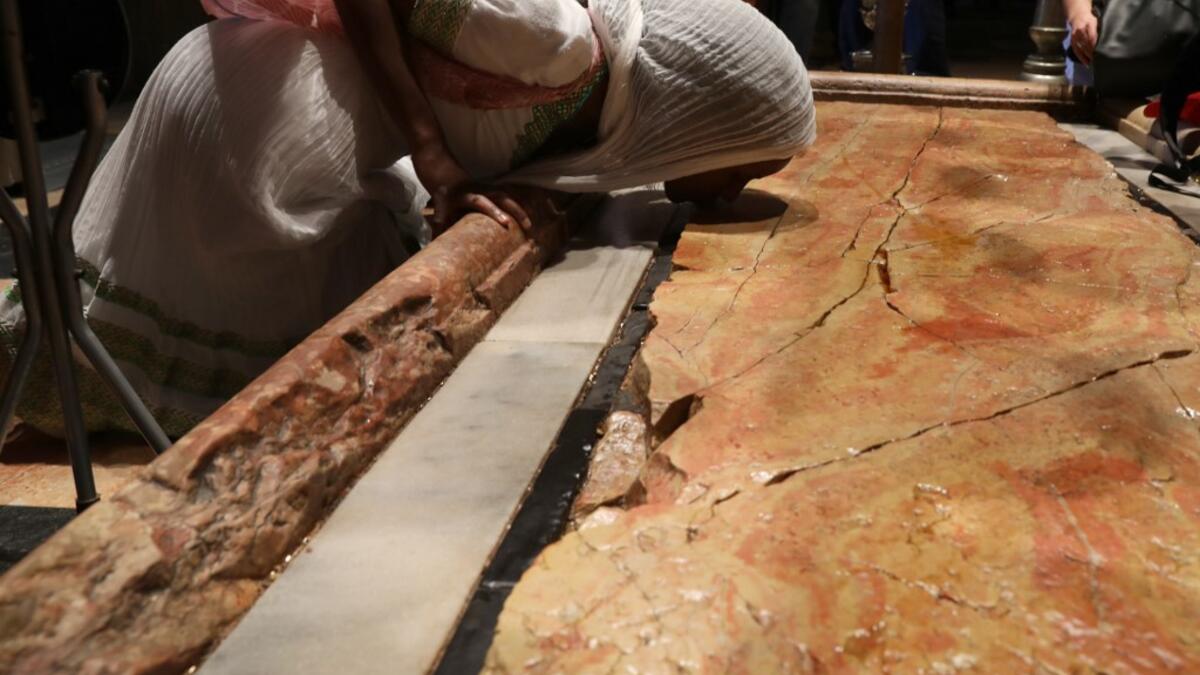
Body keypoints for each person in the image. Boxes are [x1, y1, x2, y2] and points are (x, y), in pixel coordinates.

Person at [0, 0, 816, 438]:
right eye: (747, 162)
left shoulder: (587, 104)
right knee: (267, 402)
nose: (730, 186)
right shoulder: (560, 43)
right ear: (715, 110)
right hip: (255, 143)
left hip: (268, 124)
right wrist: (435, 158)